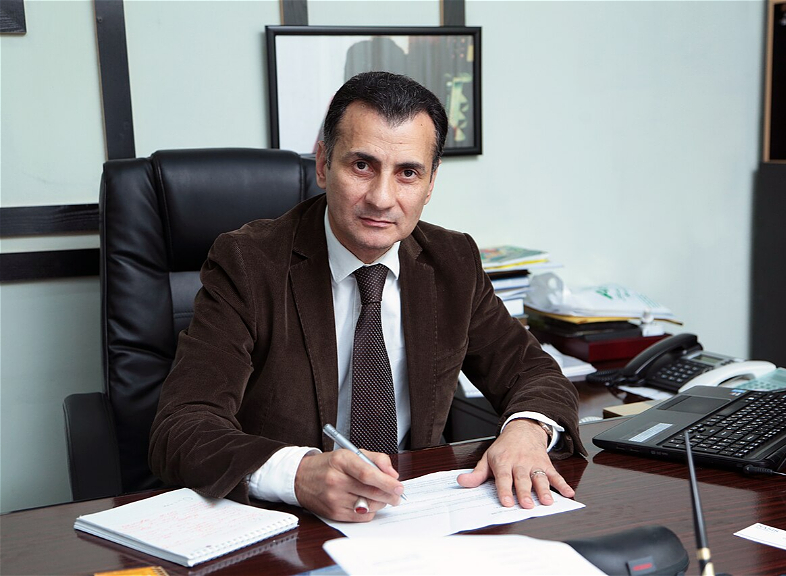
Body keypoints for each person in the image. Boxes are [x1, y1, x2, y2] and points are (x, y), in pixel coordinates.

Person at [149, 71, 586, 523]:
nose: (381, 198)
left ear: (431, 183)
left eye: (407, 173)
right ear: (323, 164)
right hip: (286, 525)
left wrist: (527, 430)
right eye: (362, 165)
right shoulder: (248, 263)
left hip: (413, 515)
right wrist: (297, 474)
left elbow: (534, 372)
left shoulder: (452, 261)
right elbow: (182, 426)